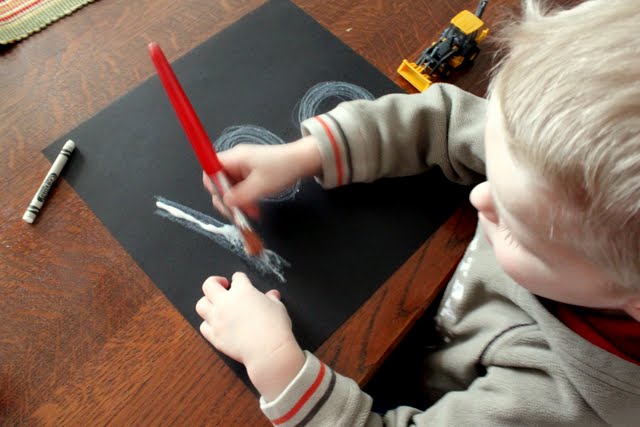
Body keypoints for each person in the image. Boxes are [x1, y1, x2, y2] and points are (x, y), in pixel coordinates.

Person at [195, 0, 640, 424]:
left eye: (520, 232)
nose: (480, 198)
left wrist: (276, 363)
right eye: (493, 171)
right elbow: (443, 121)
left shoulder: (567, 405)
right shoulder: (556, 144)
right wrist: (305, 155)